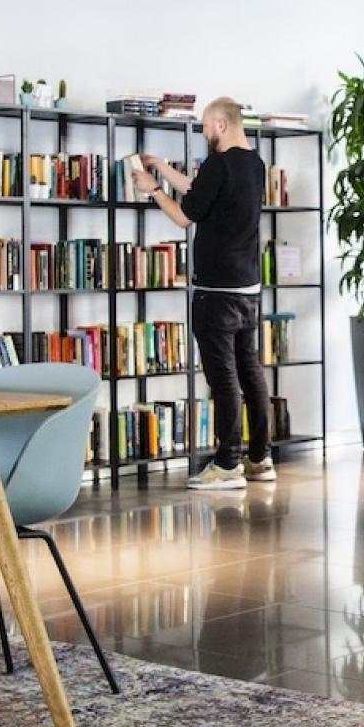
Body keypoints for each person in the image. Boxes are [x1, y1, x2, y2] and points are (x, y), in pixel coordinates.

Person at [132, 96, 274, 489]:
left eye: (207, 126)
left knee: (224, 377)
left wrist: (151, 189)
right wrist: (163, 170)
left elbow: (183, 216)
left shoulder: (219, 163)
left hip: (216, 290)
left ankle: (228, 464)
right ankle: (260, 458)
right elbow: (200, 191)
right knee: (250, 372)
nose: (204, 133)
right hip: (247, 288)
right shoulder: (253, 164)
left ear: (222, 125)